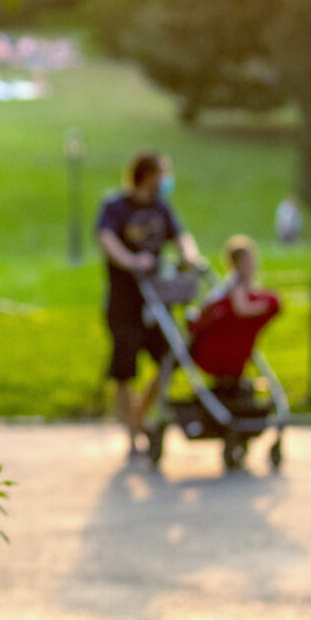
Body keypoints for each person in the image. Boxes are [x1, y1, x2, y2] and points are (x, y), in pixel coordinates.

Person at [96, 151, 208, 459]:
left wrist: (190, 255)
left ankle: (139, 413)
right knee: (124, 368)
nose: (166, 179)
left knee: (171, 357)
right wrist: (131, 260)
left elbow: (181, 236)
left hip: (157, 298)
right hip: (124, 300)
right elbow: (105, 239)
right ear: (146, 176)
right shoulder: (115, 207)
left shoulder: (161, 206)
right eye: (163, 173)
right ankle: (132, 434)